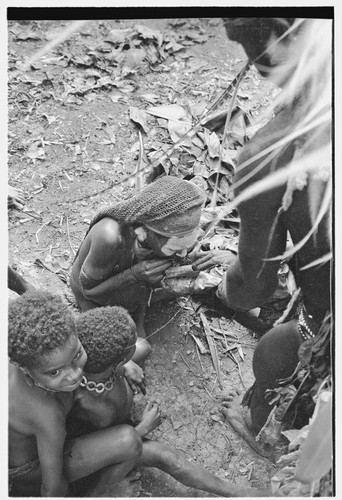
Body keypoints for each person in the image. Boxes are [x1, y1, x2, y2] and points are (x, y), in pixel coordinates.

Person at [217, 17, 332, 451]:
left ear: (279, 33)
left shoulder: (272, 154)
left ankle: (261, 430)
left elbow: (252, 291)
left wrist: (229, 277)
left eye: (242, 38)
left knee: (273, 352)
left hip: (327, 326)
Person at [68, 305, 270, 497]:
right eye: (130, 345)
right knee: (168, 458)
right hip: (105, 452)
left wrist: (126, 365)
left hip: (116, 402)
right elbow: (101, 449)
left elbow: (138, 348)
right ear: (117, 361)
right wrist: (142, 429)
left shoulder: (98, 368)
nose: (135, 342)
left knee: (144, 347)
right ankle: (235, 493)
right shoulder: (88, 404)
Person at [8, 290, 144, 497]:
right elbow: (52, 486)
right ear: (25, 369)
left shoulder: (45, 346)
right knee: (129, 441)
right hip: (30, 471)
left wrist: (124, 365)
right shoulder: (46, 415)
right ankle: (94, 494)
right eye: (55, 372)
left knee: (141, 351)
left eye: (77, 355)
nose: (74, 374)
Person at [70, 176, 207, 339]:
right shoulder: (110, 237)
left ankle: (138, 311)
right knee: (135, 347)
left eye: (186, 248)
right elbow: (89, 291)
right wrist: (133, 274)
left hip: (132, 291)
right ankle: (136, 313)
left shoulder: (156, 235)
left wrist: (189, 258)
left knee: (139, 336)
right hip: (93, 296)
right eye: (175, 249)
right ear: (143, 232)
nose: (182, 253)